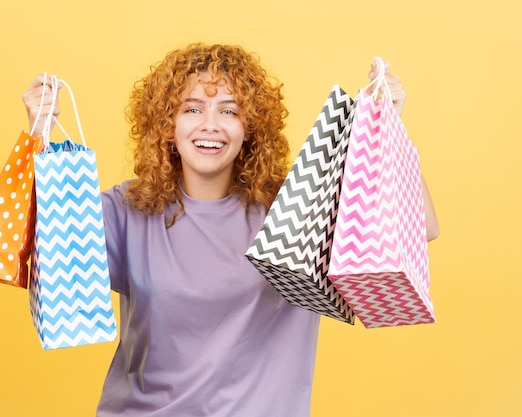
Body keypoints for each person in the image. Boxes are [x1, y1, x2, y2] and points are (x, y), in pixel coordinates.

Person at [22, 43, 439, 417]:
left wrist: (387, 132)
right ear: (167, 124)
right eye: (191, 109)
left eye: (228, 110)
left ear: (250, 127)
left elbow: (422, 228)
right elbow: (37, 257)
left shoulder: (297, 208)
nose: (210, 124)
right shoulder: (128, 209)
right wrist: (37, 137)